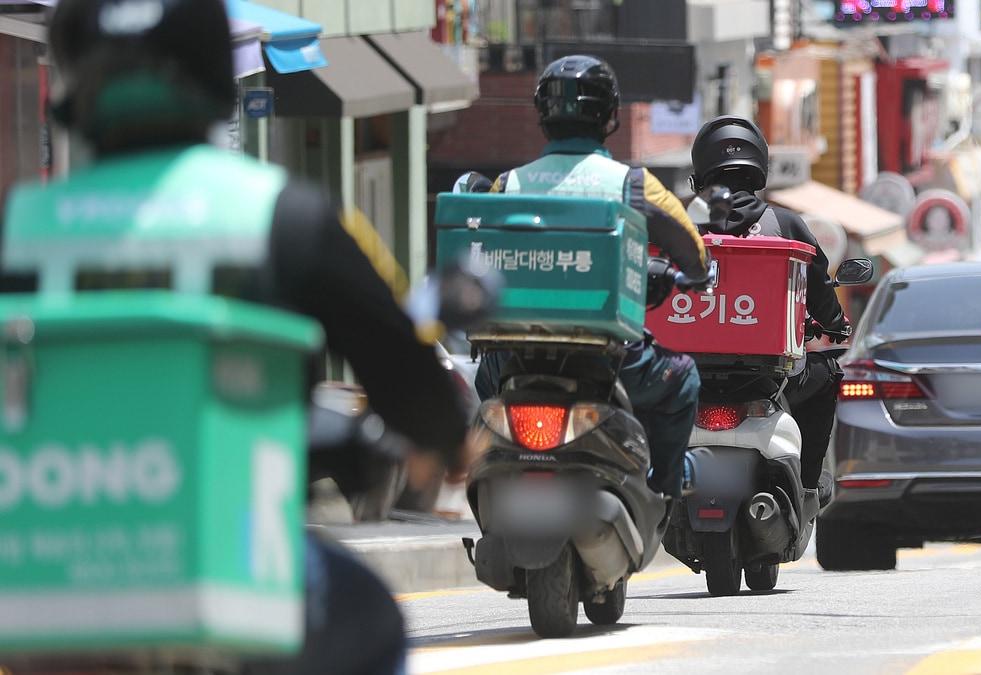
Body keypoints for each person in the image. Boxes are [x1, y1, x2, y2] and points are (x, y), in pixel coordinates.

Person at [1, 1, 470, 672]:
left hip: (51, 594)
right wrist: (446, 439)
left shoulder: (22, 227)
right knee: (369, 618)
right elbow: (408, 375)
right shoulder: (284, 216)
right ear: (215, 72)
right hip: (233, 582)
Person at [475, 54, 712, 501]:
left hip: (514, 358)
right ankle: (664, 485)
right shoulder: (634, 184)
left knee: (485, 383)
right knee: (684, 380)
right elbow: (692, 252)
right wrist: (696, 274)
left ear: (543, 115)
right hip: (611, 360)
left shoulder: (507, 184)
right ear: (610, 117)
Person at [688, 115, 850, 501]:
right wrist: (835, 323)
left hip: (688, 373)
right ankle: (809, 485)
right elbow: (819, 286)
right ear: (758, 169)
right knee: (826, 376)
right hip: (767, 375)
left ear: (700, 174)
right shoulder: (785, 223)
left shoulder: (680, 224)